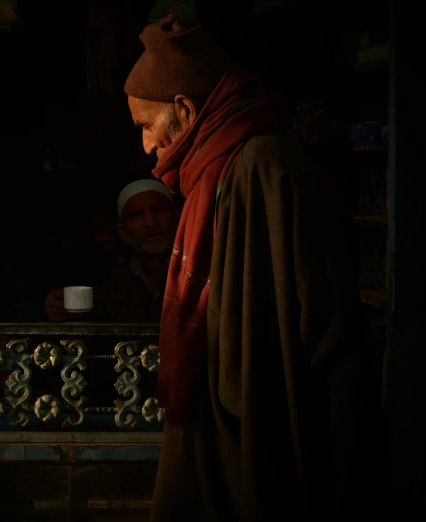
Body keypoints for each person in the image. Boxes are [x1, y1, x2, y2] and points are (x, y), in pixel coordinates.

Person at [123, 15, 385, 522]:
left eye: (146, 126)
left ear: (183, 109)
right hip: (228, 427)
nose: (147, 147)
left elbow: (292, 339)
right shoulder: (218, 170)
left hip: (266, 433)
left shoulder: (263, 168)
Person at [44, 178, 178, 322]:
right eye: (137, 215)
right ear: (123, 233)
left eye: (158, 211)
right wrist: (59, 311)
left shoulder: (198, 273)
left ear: (177, 220)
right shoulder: (108, 282)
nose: (151, 223)